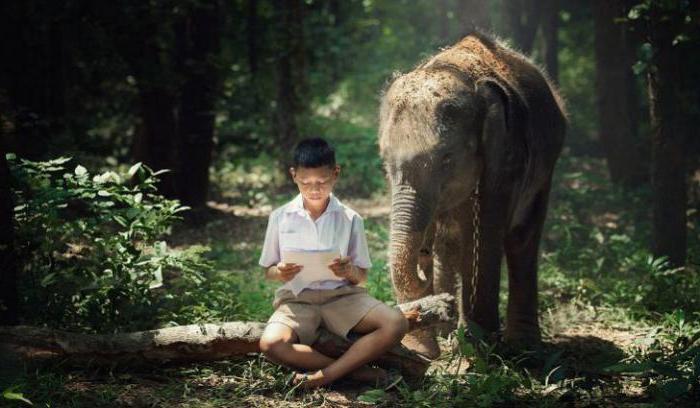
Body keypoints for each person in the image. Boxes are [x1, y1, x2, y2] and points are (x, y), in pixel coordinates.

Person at [257, 137, 409, 389]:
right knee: (270, 344)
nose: (314, 189)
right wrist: (280, 271)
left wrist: (348, 270)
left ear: (335, 173)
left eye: (322, 182)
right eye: (305, 182)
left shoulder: (350, 219)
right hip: (297, 299)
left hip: (342, 296)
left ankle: (325, 376)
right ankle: (357, 374)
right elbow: (268, 272)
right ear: (293, 175)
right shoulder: (280, 217)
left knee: (396, 322)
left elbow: (361, 277)